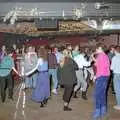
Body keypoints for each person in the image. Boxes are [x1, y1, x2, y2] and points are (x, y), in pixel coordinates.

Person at [91, 43, 110, 119]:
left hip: (101, 77)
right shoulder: (105, 56)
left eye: (97, 48)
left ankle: (97, 111)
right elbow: (99, 64)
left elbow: (100, 69)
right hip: (106, 76)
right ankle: (103, 109)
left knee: (97, 95)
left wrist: (95, 76)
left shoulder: (100, 56)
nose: (96, 50)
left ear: (100, 48)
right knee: (102, 94)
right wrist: (93, 57)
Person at [111, 46, 120, 110]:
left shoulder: (114, 58)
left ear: (116, 51)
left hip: (116, 75)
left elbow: (111, 68)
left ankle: (119, 105)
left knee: (117, 90)